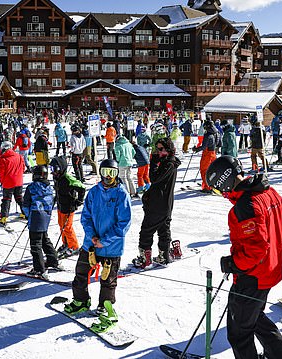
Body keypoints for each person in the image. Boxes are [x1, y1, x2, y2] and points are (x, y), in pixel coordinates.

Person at [206, 155, 282, 359]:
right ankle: (279, 354)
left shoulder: (245, 206)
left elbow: (256, 249)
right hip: (269, 270)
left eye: (218, 190)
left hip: (252, 277)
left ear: (224, 181)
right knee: (254, 317)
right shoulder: (268, 191)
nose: (222, 194)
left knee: (239, 333)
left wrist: (233, 263)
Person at [64, 159, 132, 333]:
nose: (108, 177)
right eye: (105, 172)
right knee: (81, 271)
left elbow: (124, 223)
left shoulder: (121, 194)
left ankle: (105, 306)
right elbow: (85, 216)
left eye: (112, 173)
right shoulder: (94, 192)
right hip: (91, 244)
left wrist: (105, 240)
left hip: (111, 247)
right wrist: (92, 236)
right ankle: (81, 300)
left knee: (108, 279)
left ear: (117, 174)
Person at [133, 137, 181, 268]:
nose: (158, 152)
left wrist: (153, 161)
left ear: (168, 149)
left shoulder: (168, 164)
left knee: (146, 231)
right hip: (164, 204)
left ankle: (145, 258)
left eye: (161, 149)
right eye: (157, 149)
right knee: (163, 229)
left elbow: (153, 178)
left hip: (158, 204)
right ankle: (163, 256)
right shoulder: (169, 162)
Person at [22, 165, 58, 277]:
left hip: (36, 215)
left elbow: (26, 204)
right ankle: (52, 260)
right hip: (46, 216)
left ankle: (39, 269)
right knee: (44, 239)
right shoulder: (49, 187)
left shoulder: (32, 187)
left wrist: (28, 216)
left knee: (35, 243)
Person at [50, 156, 85, 258]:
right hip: (61, 205)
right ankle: (66, 243)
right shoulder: (57, 178)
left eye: (55, 169)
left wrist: (78, 201)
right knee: (61, 225)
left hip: (69, 207)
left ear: (61, 168)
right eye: (51, 169)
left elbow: (81, 187)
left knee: (67, 227)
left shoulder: (68, 178)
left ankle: (74, 247)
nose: (53, 172)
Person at [0, 141, 25, 225]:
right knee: (19, 197)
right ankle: (26, 212)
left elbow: (1, 172)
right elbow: (23, 168)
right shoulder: (19, 156)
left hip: (8, 182)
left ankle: (4, 217)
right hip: (18, 181)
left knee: (6, 199)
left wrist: (2, 182)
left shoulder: (3, 159)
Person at [192, 120, 220, 193]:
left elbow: (204, 146)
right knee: (212, 170)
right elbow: (219, 143)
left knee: (204, 170)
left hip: (207, 154)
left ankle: (207, 187)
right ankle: (212, 185)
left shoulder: (207, 134)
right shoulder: (217, 132)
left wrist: (196, 149)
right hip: (213, 153)